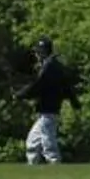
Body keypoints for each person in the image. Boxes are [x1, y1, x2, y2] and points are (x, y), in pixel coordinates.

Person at [24, 36, 75, 164]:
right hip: (45, 111)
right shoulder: (53, 66)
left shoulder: (49, 67)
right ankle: (32, 165)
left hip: (49, 110)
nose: (36, 54)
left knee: (48, 140)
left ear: (43, 51)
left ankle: (54, 163)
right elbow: (67, 86)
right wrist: (74, 100)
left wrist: (21, 94)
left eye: (38, 51)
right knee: (32, 141)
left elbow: (37, 85)